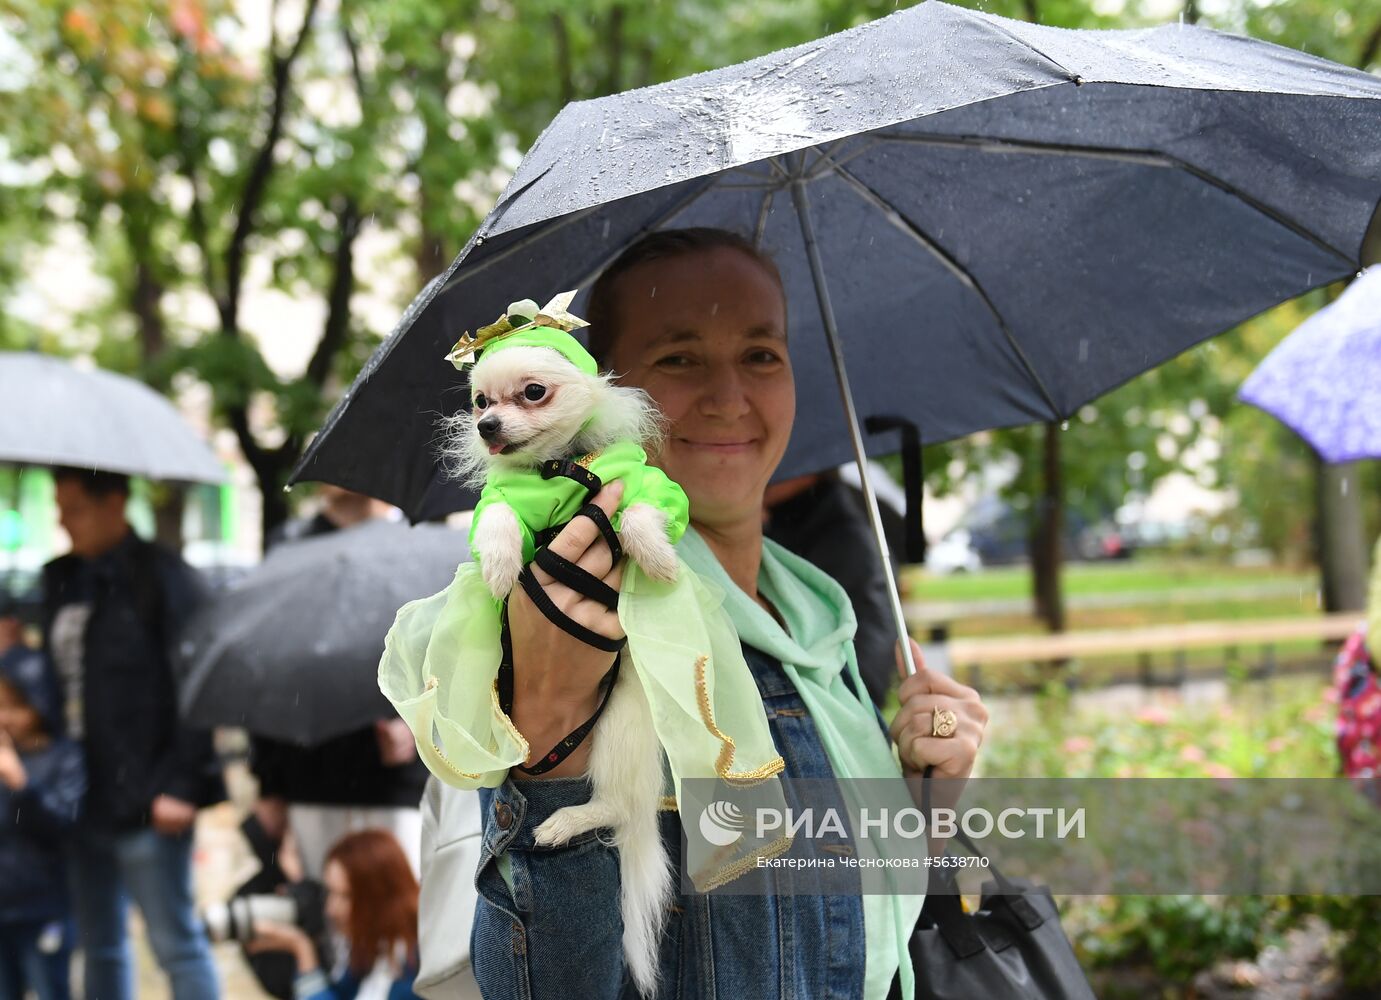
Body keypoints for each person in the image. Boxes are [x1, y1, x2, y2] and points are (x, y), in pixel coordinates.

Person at [466, 228, 989, 999]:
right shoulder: (579, 616)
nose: (728, 396)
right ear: (604, 396)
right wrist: (547, 734)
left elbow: (860, 930)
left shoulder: (817, 621)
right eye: (678, 358)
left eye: (761, 354)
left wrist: (923, 794)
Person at [42, 468, 223, 1000]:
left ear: (114, 502)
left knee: (176, 943)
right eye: (58, 506)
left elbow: (198, 689)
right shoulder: (61, 578)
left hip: (151, 793)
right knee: (97, 943)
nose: (61, 520)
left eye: (73, 507)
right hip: (78, 793)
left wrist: (183, 785)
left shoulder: (165, 578)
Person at [250, 485, 429, 879]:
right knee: (329, 911)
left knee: (402, 918)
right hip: (314, 773)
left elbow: (448, 656)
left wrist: (419, 728)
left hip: (398, 783)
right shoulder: (291, 547)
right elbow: (268, 664)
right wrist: (269, 784)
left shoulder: (419, 542)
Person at [0, 609, 84, 1000]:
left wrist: (20, 783)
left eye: (14, 707)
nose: (5, 718)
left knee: (52, 989)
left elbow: (60, 824)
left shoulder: (62, 757)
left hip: (43, 905)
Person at [247, 828, 422, 1000]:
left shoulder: (420, 964)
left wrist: (302, 950)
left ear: (379, 896)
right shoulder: (370, 948)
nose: (330, 909)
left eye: (345, 896)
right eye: (330, 893)